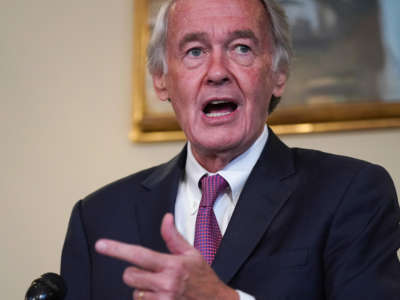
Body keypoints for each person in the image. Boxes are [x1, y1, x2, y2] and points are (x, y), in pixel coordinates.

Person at [61, 0, 400, 299]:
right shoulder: (97, 219)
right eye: (195, 51)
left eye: (241, 48)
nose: (218, 72)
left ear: (278, 74)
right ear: (161, 79)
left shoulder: (351, 192)